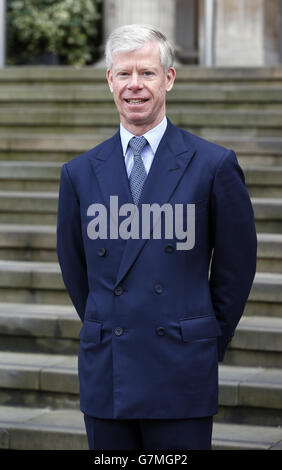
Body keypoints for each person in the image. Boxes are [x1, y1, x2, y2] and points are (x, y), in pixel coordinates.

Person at [56, 24, 257, 450]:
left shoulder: (213, 165)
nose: (135, 85)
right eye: (124, 73)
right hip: (108, 370)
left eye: (147, 73)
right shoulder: (78, 173)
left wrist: (202, 338)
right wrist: (108, 323)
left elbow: (235, 270)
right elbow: (77, 272)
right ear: (109, 79)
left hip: (181, 369)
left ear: (168, 79)